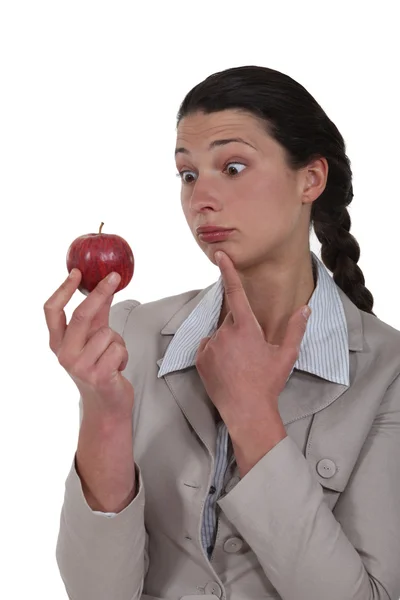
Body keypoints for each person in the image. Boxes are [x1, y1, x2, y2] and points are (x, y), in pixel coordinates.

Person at [45, 66, 400, 600]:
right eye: (188, 175)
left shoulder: (387, 371)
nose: (200, 199)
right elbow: (98, 593)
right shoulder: (131, 337)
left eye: (233, 167)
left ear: (311, 179)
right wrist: (106, 412)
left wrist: (253, 415)